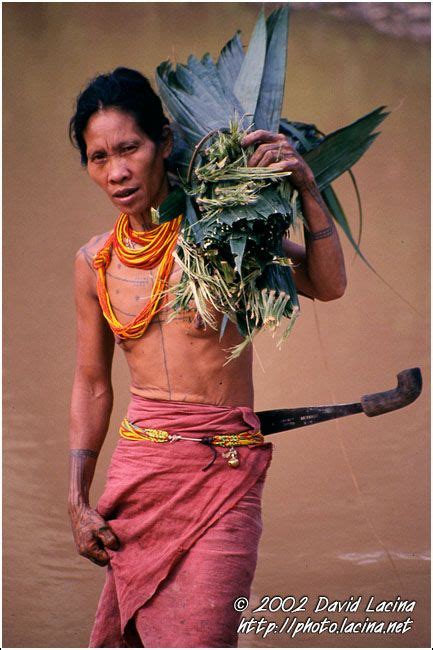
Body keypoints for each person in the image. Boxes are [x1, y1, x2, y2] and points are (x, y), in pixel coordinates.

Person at [68, 67, 346, 648]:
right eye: (98, 158)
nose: (116, 171)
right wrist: (76, 498)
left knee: (206, 636)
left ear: (163, 144)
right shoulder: (94, 262)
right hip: (139, 477)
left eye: (129, 149)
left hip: (225, 472)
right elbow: (93, 383)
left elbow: (328, 283)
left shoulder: (222, 236)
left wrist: (307, 187)